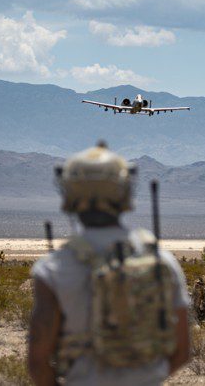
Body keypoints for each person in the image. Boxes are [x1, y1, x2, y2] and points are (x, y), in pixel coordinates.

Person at [28, 142, 190, 386]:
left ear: (69, 192)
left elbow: (38, 362)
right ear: (124, 191)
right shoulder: (162, 262)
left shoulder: (53, 270)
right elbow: (182, 351)